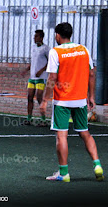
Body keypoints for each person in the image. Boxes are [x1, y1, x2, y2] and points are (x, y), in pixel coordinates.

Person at [40, 22, 104, 182]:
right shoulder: (84, 50)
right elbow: (91, 74)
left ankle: (64, 173)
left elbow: (52, 78)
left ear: (57, 35)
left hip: (62, 101)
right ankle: (97, 165)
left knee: (61, 136)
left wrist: (45, 100)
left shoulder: (56, 52)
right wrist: (91, 97)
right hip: (80, 100)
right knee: (85, 133)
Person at [21, 30, 50, 126]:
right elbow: (33, 61)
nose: (34, 38)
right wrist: (26, 70)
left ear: (41, 38)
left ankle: (43, 120)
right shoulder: (33, 48)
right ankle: (29, 119)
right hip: (32, 77)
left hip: (41, 78)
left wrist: (41, 70)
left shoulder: (46, 49)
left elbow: (50, 62)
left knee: (39, 97)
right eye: (34, 36)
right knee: (29, 97)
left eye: (36, 36)